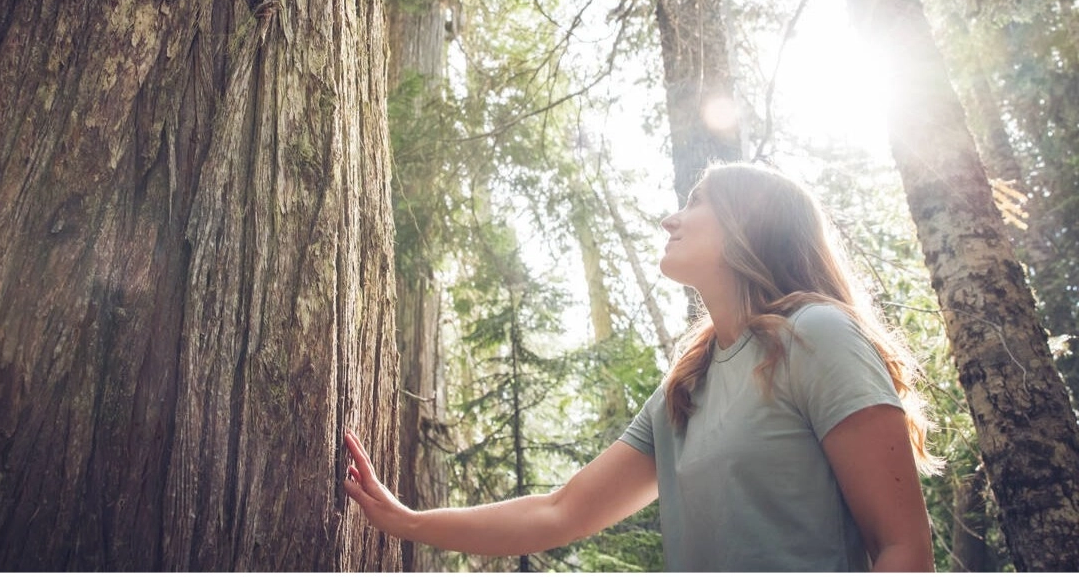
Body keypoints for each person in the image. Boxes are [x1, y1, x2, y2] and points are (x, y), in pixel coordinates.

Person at [342, 162, 939, 571]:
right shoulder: (688, 382)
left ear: (750, 224)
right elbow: (562, 511)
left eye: (696, 201)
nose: (670, 219)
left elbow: (903, 548)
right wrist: (409, 522)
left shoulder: (819, 336)